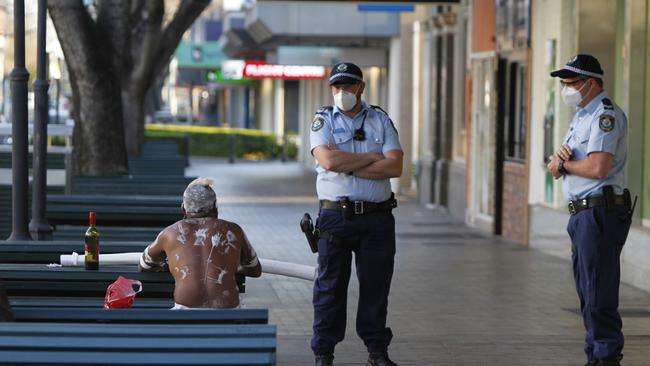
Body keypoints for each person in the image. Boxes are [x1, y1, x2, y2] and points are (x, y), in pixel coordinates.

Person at [309, 62, 403, 366]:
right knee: (330, 286)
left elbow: (395, 166)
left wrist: (346, 161)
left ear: (360, 88)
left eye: (348, 86)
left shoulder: (380, 119)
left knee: (376, 287)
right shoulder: (322, 120)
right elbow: (327, 160)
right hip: (336, 217)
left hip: (377, 218)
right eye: (336, 87)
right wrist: (371, 158)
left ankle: (377, 351)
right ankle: (324, 352)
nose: (341, 92)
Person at [548, 54, 634, 366]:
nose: (565, 89)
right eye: (563, 83)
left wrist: (564, 164)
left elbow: (598, 167)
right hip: (582, 214)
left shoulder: (604, 116)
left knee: (598, 295)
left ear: (591, 83)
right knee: (588, 294)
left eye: (570, 83)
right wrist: (560, 165)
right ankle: (595, 357)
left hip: (600, 212)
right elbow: (554, 167)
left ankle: (606, 358)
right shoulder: (582, 117)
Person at [138, 177, 261, 309]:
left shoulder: (170, 233)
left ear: (183, 209)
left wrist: (172, 265)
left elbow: (144, 265)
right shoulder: (234, 230)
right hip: (228, 313)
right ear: (215, 207)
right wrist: (232, 265)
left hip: (186, 313)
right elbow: (255, 270)